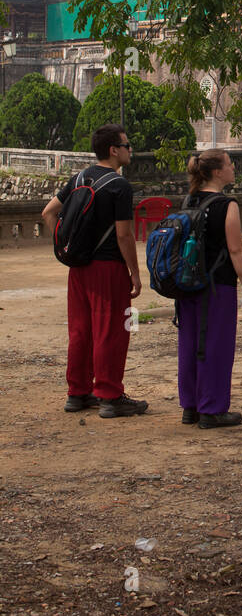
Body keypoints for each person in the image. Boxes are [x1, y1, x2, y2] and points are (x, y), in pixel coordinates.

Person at [42, 123, 147, 418]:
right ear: (114, 151)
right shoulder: (119, 186)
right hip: (107, 268)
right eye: (127, 146)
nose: (130, 150)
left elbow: (48, 212)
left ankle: (78, 392)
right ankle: (110, 395)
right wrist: (135, 273)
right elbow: (124, 235)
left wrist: (65, 246)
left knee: (80, 331)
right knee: (112, 331)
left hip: (78, 268)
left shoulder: (79, 178)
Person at [176, 149, 242, 429]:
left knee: (190, 343)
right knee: (216, 345)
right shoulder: (226, 205)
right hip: (217, 284)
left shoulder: (188, 200)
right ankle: (212, 408)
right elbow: (235, 249)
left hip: (188, 283)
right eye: (230, 165)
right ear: (218, 172)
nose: (233, 169)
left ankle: (191, 406)